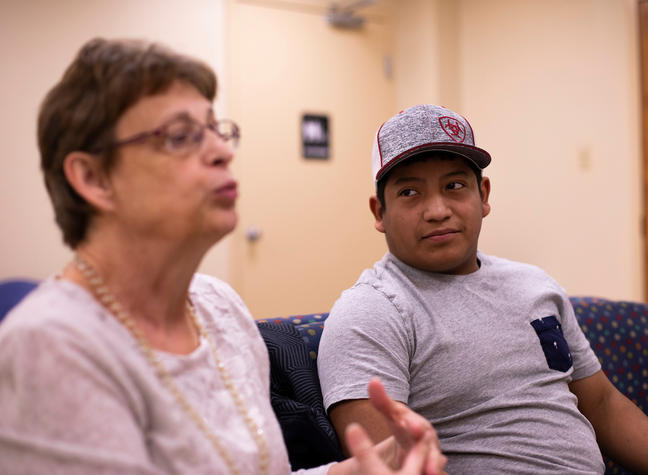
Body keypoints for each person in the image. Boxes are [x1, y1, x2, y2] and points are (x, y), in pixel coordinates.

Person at [0, 39, 446, 475]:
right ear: (94, 178)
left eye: (217, 129)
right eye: (180, 136)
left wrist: (358, 472)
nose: (222, 152)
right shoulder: (49, 347)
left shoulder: (217, 305)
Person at [316, 104, 648, 474]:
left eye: (454, 185)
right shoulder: (371, 312)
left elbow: (601, 403)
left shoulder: (533, 284)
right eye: (409, 193)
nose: (437, 210)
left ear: (482, 195)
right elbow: (387, 467)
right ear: (379, 213)